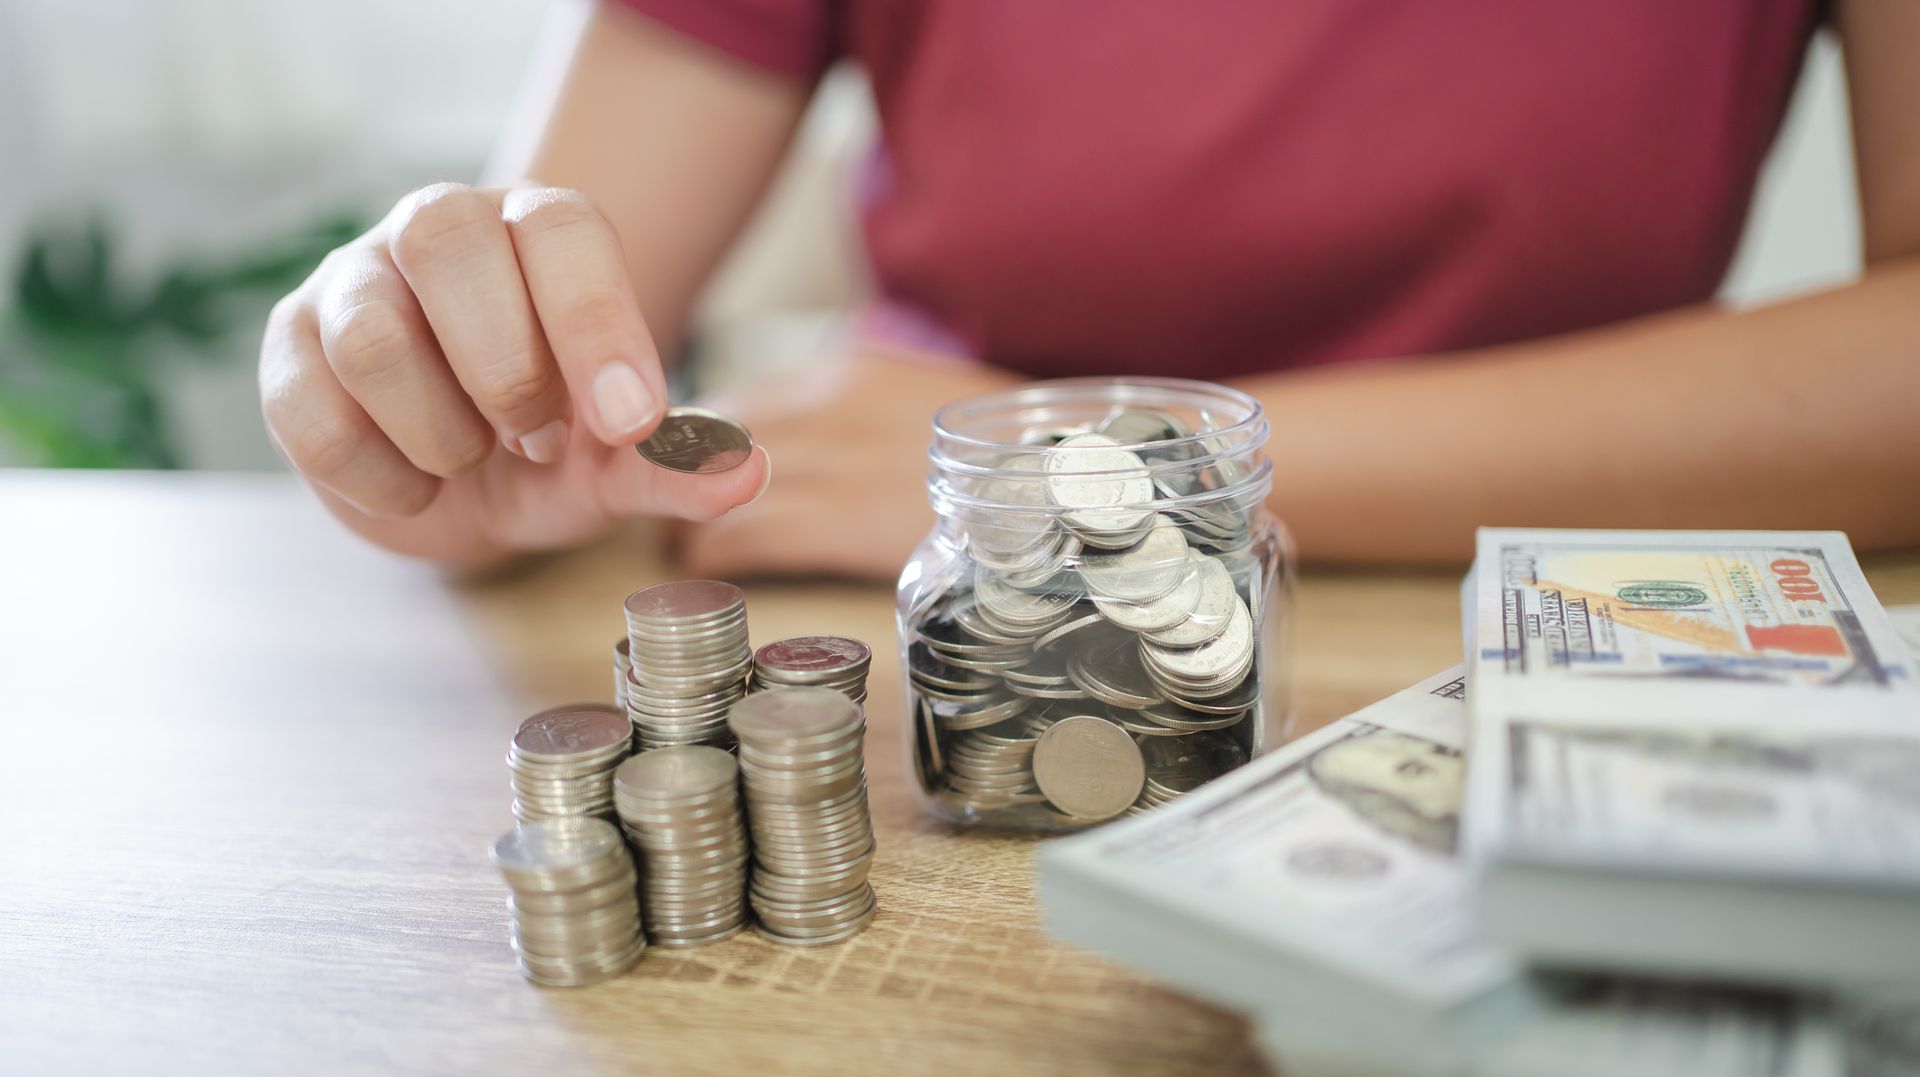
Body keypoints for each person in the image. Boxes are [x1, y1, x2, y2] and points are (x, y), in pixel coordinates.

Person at [259, 0, 1920, 579]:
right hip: (891, 566)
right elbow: (536, 348)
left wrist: (1106, 469)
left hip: (1549, 612)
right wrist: (442, 395)